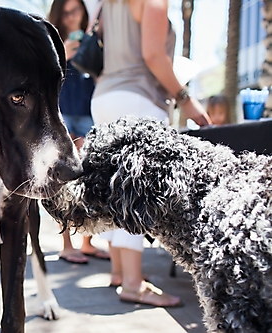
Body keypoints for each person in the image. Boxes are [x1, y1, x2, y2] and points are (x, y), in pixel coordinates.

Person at [91, 0, 211, 306]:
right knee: (138, 191)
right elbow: (154, 55)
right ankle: (133, 283)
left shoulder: (106, 4)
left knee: (115, 189)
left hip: (105, 96)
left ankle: (120, 272)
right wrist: (186, 100)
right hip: (138, 97)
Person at [48, 0, 110, 264]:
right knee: (63, 177)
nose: (72, 16)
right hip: (61, 112)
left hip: (87, 110)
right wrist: (64, 55)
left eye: (77, 11)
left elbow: (100, 75)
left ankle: (87, 240)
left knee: (89, 175)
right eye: (67, 12)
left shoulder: (92, 39)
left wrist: (89, 55)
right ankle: (66, 243)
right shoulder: (51, 41)